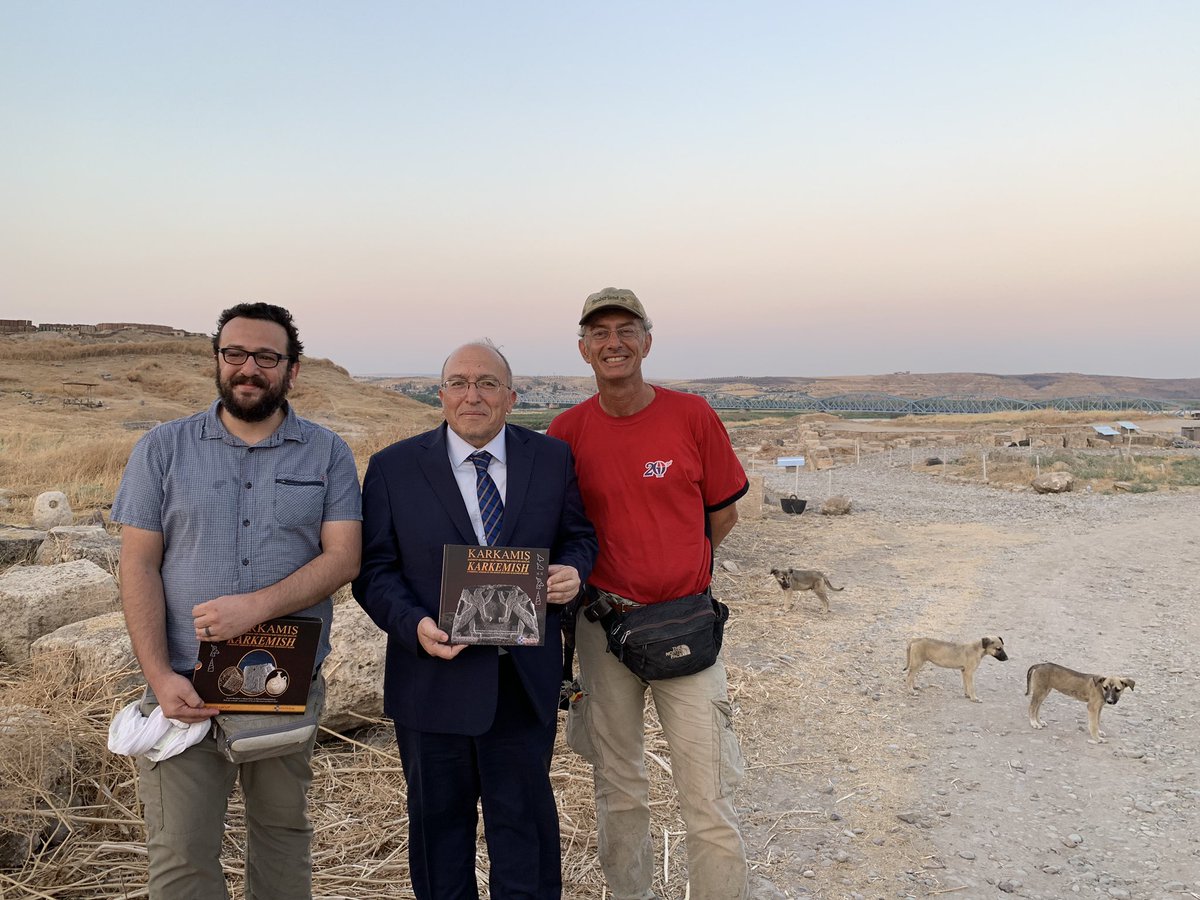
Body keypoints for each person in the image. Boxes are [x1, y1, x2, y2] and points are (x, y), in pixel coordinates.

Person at [112, 302, 362, 899]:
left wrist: (257, 607)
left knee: (281, 837)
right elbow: (138, 565)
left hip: (283, 684)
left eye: (267, 357)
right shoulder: (161, 449)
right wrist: (158, 677)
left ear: (291, 370)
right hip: (183, 687)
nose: (249, 367)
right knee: (180, 853)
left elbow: (343, 559)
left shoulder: (327, 453)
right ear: (217, 361)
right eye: (235, 354)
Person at [353, 339, 597, 900]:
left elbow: (579, 537)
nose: (473, 395)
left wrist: (573, 572)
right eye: (459, 383)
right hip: (432, 681)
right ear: (440, 395)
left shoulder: (551, 459)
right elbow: (374, 570)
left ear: (511, 397)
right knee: (439, 835)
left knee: (525, 832)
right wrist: (413, 625)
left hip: (522, 681)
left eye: (488, 383)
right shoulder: (393, 468)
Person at [547, 288, 751, 900]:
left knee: (708, 795)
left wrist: (674, 570)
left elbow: (722, 514)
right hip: (603, 630)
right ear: (583, 349)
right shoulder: (566, 431)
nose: (613, 343)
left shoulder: (692, 415)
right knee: (619, 790)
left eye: (626, 330)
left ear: (647, 342)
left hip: (685, 630)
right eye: (599, 333)